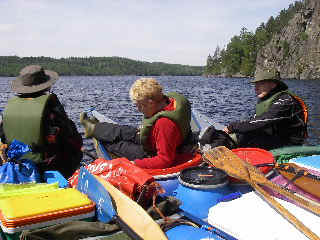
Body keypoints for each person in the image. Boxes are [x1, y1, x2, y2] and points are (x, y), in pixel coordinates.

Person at [80, 77, 196, 169]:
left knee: (110, 143)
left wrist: (134, 164)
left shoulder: (164, 124)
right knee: (123, 130)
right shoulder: (170, 101)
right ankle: (94, 127)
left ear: (150, 103)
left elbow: (164, 160)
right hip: (153, 138)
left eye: (139, 106)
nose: (138, 110)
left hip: (151, 152)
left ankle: (97, 132)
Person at [0, 65, 83, 178]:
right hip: (45, 166)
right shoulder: (51, 108)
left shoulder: (10, 106)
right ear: (45, 86)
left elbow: (4, 137)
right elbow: (68, 134)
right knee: (75, 149)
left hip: (16, 164)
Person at [223, 69, 308, 150]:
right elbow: (255, 121)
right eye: (255, 84)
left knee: (241, 136)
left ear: (273, 84)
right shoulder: (267, 99)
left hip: (288, 144)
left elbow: (263, 121)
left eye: (261, 83)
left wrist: (233, 126)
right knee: (239, 135)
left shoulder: (285, 100)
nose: (256, 88)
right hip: (273, 138)